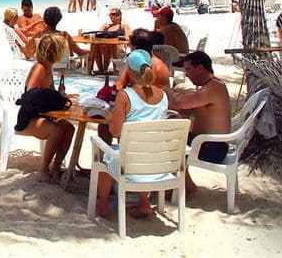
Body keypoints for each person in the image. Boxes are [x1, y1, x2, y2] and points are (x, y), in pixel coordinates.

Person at [94, 49, 169, 219]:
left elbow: (114, 131)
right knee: (141, 149)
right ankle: (144, 203)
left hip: (132, 167)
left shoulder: (126, 96)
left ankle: (103, 204)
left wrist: (110, 117)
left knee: (105, 155)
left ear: (130, 71)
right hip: (158, 164)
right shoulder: (163, 95)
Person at [167, 50, 231, 195]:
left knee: (168, 143)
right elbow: (189, 109)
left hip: (213, 147)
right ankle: (184, 183)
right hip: (206, 142)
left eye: (188, 69)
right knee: (170, 138)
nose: (186, 74)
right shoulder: (210, 86)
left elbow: (180, 103)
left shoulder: (213, 88)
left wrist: (166, 91)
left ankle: (184, 186)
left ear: (200, 68)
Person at [15, 33, 75, 183]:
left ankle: (55, 168)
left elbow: (49, 94)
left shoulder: (48, 68)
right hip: (28, 118)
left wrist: (60, 94)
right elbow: (31, 95)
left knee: (69, 128)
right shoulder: (39, 68)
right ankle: (43, 169)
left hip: (43, 115)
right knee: (56, 130)